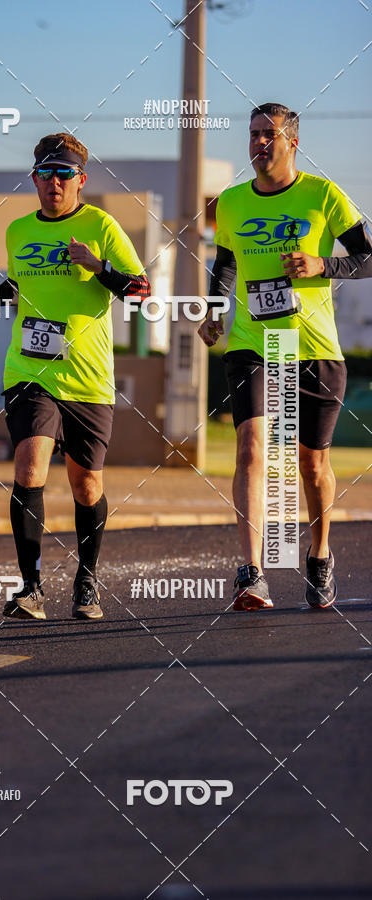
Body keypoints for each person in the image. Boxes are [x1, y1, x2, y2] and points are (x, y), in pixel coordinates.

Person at [198, 102, 372, 611]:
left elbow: (367, 257)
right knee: (251, 447)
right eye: (253, 134)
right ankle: (252, 572)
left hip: (313, 346)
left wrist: (324, 263)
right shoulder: (230, 203)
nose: (259, 143)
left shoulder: (322, 194)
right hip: (256, 342)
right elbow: (225, 263)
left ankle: (319, 554)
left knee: (311, 465)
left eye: (269, 134)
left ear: (292, 141)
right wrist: (214, 313)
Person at [0, 133, 150, 620]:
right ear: (34, 179)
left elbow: (140, 290)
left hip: (88, 377)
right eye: (47, 173)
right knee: (29, 469)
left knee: (85, 486)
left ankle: (86, 580)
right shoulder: (17, 231)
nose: (55, 181)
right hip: (29, 371)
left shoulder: (101, 225)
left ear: (80, 180)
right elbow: (21, 291)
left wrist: (96, 265)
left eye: (64, 173)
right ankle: (31, 587)